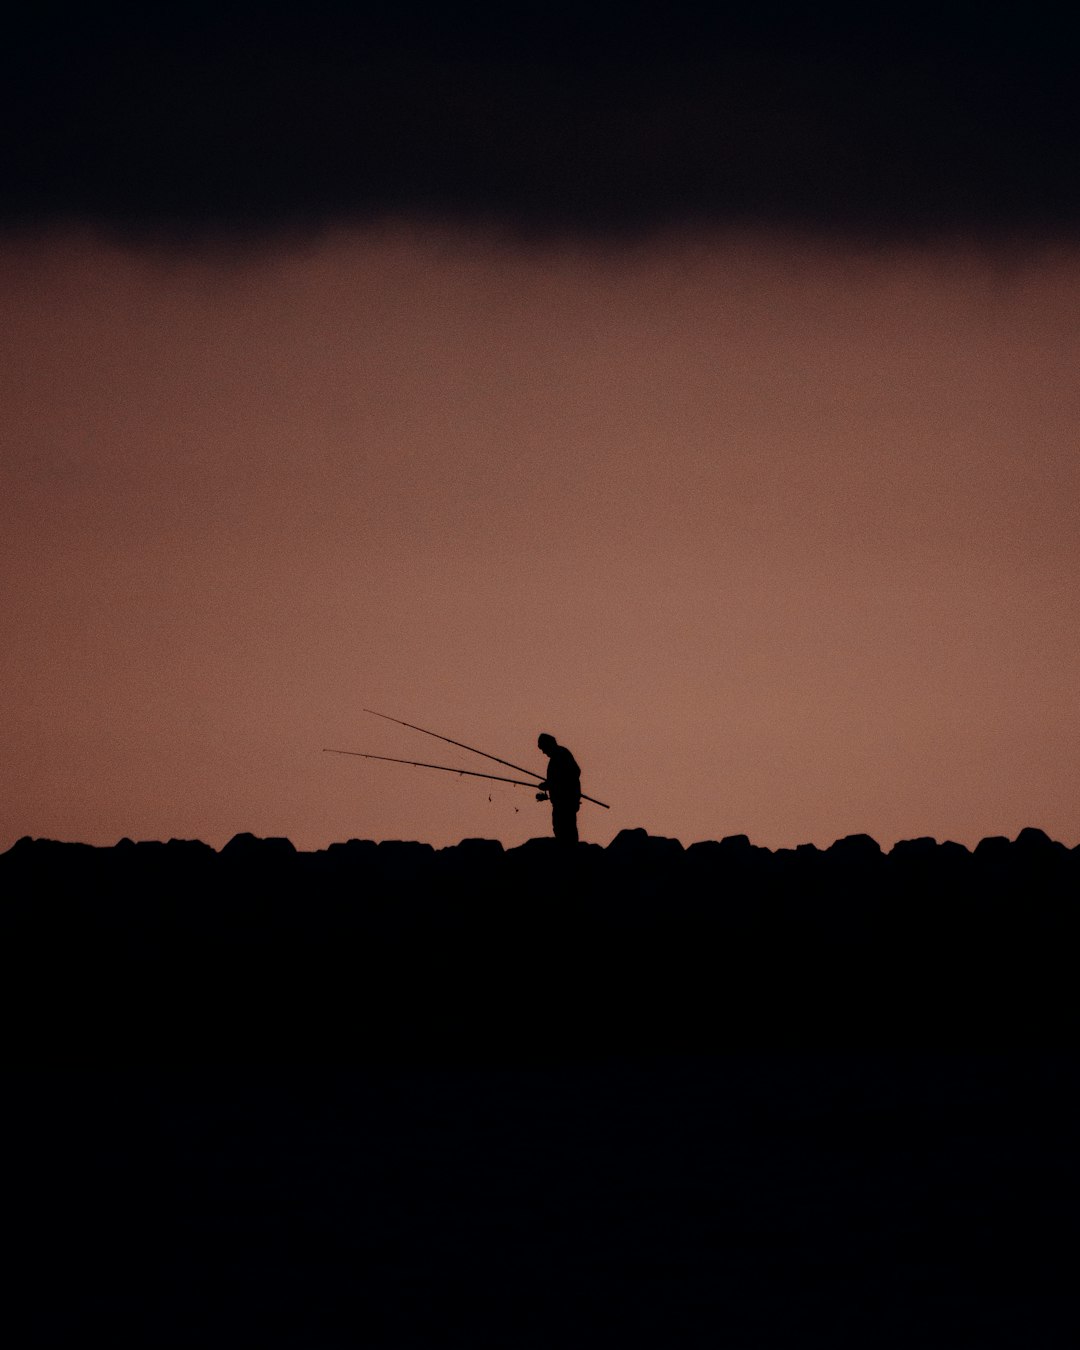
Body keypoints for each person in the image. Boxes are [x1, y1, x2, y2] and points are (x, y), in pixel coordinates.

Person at [537, 733, 581, 844]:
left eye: (543, 748)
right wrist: (548, 785)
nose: (543, 752)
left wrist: (550, 785)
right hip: (562, 802)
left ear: (549, 744)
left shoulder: (561, 754)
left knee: (566, 830)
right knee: (561, 829)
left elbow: (574, 772)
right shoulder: (559, 755)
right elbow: (558, 779)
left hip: (566, 802)